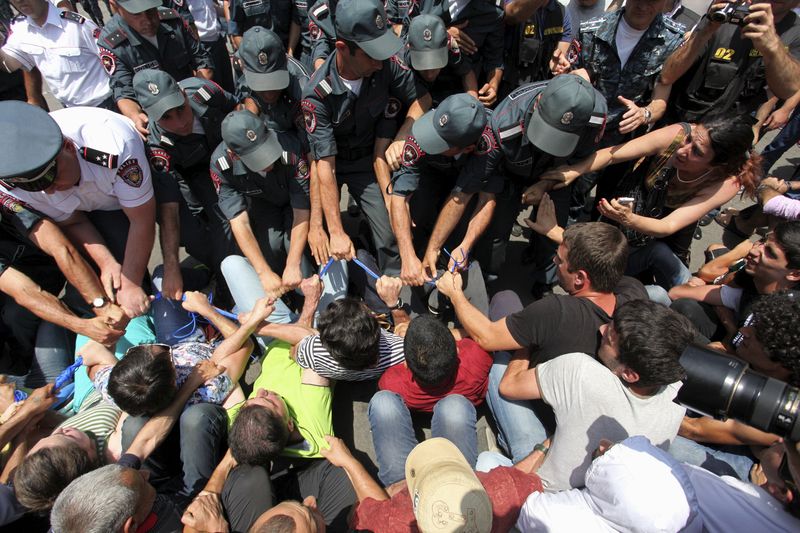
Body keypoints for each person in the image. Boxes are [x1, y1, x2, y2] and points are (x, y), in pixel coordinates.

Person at [476, 299, 696, 491]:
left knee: (500, 369)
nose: (601, 329)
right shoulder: (677, 395)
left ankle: (507, 449)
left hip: (541, 487)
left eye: (610, 338)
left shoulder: (581, 372)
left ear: (629, 374)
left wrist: (525, 345)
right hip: (588, 492)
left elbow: (510, 386)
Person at [536, 115, 761, 300]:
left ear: (718, 163)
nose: (684, 150)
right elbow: (613, 154)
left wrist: (629, 219)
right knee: (616, 250)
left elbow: (667, 226)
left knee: (658, 264)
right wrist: (577, 170)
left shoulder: (726, 182)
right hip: (641, 200)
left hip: (671, 222)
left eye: (697, 152)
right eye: (690, 139)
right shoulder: (677, 134)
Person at [301, 0, 431, 275]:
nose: (379, 61)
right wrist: (335, 231)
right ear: (343, 49)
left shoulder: (386, 65)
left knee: (390, 234)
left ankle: (395, 296)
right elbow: (325, 165)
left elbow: (422, 98)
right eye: (371, 55)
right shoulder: (316, 94)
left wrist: (402, 134)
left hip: (368, 162)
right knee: (319, 236)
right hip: (330, 166)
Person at [0, 101, 156, 319]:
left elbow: (142, 220)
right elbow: (73, 221)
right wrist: (106, 262)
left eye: (52, 179)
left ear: (68, 147)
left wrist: (131, 283)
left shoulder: (111, 143)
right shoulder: (15, 182)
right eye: (38, 187)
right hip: (89, 210)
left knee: (130, 281)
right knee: (108, 282)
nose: (51, 192)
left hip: (134, 196)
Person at [48, 359, 225, 532]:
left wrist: (189, 385)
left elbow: (145, 441)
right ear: (131, 526)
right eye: (142, 481)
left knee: (135, 426)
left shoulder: (109, 490)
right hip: (188, 508)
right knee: (198, 417)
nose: (146, 473)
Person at [476, 73, 607, 294]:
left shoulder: (595, 116)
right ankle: (487, 280)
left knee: (554, 228)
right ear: (537, 104)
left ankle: (546, 278)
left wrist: (544, 184)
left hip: (556, 172)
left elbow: (578, 160)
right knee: (496, 232)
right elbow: (490, 171)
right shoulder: (507, 118)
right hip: (511, 171)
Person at [562, 0, 684, 221]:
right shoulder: (592, 29)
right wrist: (571, 76)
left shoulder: (673, 40)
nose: (644, 6)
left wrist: (644, 114)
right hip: (585, 134)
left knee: (611, 203)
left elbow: (660, 99)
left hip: (626, 141)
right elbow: (569, 77)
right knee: (570, 197)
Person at [669, 291, 800, 481]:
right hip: (745, 440)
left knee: (670, 444)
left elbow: (694, 429)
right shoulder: (763, 367)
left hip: (751, 468)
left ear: (781, 361)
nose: (744, 332)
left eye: (759, 335)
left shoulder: (784, 411)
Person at [132, 69, 239, 300]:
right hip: (187, 178)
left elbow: (238, 108)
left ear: (182, 92)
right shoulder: (154, 143)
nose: (180, 123)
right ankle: (222, 275)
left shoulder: (203, 91)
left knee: (229, 216)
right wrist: (171, 266)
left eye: (181, 109)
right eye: (166, 117)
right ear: (149, 115)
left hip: (224, 161)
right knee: (194, 232)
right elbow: (169, 207)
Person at [369, 315, 492, 486]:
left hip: (405, 485)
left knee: (382, 401)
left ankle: (403, 490)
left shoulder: (392, 382)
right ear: (457, 351)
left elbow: (386, 390)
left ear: (406, 365)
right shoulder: (477, 356)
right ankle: (455, 484)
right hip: (461, 402)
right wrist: (456, 332)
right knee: (454, 406)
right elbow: (483, 334)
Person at [328, 436, 544, 532]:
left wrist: (348, 461)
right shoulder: (504, 493)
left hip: (396, 495)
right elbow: (523, 474)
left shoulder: (392, 523)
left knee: (384, 405)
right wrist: (545, 446)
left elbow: (368, 508)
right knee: (488, 457)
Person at [388, 92, 490, 286]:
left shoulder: (489, 145)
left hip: (468, 184)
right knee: (416, 213)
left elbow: (485, 198)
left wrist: (463, 245)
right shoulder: (423, 132)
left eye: (440, 141)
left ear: (468, 148)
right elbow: (399, 197)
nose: (430, 139)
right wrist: (408, 255)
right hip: (430, 173)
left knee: (462, 233)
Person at [515, 436, 698, 532]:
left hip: (534, 492)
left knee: (488, 460)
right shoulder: (685, 509)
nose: (602, 443)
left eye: (607, 453)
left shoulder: (555, 518)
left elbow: (517, 502)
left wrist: (545, 446)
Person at [660, 0, 800, 125]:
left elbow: (787, 90)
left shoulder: (795, 33)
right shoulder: (726, 13)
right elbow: (667, 76)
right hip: (680, 121)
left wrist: (774, 49)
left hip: (728, 133)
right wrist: (707, 29)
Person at [669, 221, 800, 343]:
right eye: (762, 242)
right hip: (737, 343)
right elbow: (677, 292)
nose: (753, 250)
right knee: (685, 306)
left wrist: (730, 334)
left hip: (748, 362)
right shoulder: (752, 279)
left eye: (770, 252)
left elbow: (752, 363)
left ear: (794, 274)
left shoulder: (786, 317)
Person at [98, 0, 214, 137]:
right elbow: (123, 91)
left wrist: (193, 100)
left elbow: (202, 61)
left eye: (150, 10)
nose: (148, 20)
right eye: (137, 14)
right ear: (115, 6)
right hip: (162, 123)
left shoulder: (172, 19)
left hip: (194, 105)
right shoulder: (113, 43)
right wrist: (136, 116)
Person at [0, 0, 114, 109]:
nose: (19, 0)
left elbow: (115, 63)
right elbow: (9, 65)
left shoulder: (76, 25)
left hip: (105, 104)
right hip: (71, 110)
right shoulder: (21, 31)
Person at [236, 26, 310, 134]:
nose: (269, 95)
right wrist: (251, 124)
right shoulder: (242, 63)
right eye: (260, 85)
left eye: (275, 85)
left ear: (285, 61)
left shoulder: (303, 87)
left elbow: (314, 141)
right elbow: (248, 94)